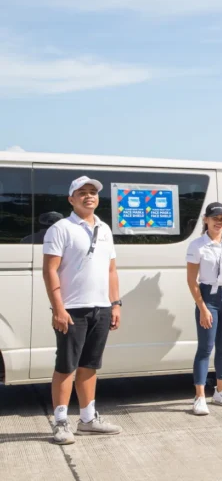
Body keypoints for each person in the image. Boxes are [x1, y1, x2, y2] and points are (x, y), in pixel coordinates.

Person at [42, 176, 123, 445]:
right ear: (71, 199)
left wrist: (115, 304)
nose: (89, 196)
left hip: (100, 308)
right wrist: (58, 309)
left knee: (90, 365)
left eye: (93, 192)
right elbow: (50, 270)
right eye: (82, 192)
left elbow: (111, 270)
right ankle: (61, 422)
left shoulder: (105, 228)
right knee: (66, 366)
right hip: (71, 310)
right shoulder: (61, 229)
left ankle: (88, 419)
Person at [186, 202, 222, 415]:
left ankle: (220, 391)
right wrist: (202, 306)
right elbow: (191, 280)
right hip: (207, 296)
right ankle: (199, 396)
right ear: (206, 220)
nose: (219, 222)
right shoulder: (197, 245)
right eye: (215, 218)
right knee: (205, 347)